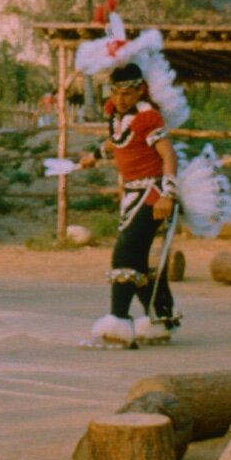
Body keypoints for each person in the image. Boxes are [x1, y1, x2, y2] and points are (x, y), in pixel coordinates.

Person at [75, 62, 183, 346]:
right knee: (136, 260)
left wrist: (167, 195)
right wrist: (95, 155)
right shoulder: (120, 115)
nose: (120, 100)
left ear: (140, 91)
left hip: (152, 194)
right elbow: (118, 140)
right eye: (115, 93)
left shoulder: (149, 117)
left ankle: (118, 323)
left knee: (124, 254)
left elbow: (169, 156)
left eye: (127, 93)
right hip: (133, 195)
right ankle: (161, 318)